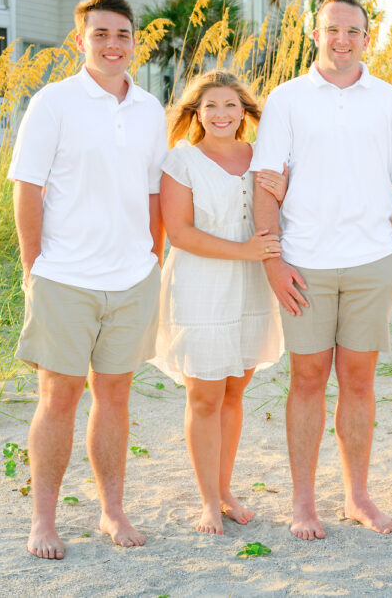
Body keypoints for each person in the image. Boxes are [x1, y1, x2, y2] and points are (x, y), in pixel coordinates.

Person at [251, 0, 392, 540]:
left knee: (358, 380)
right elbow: (265, 183)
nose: (342, 40)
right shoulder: (287, 100)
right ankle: (304, 502)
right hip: (305, 264)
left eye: (353, 31)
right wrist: (274, 263)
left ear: (367, 37)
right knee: (306, 379)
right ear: (315, 33)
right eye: (332, 30)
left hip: (373, 262)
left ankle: (356, 496)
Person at [8, 0, 165, 559]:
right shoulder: (53, 102)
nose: (112, 44)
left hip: (131, 276)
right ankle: (43, 521)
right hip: (65, 276)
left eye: (122, 35)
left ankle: (111, 510)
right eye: (100, 34)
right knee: (59, 396)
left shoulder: (149, 109)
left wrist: (154, 260)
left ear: (134, 43)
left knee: (116, 395)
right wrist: (34, 269)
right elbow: (28, 189)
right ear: (80, 41)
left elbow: (154, 194)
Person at [152, 70, 288, 534]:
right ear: (196, 112)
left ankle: (225, 489)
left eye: (231, 105)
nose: (221, 114)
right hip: (201, 285)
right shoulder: (181, 161)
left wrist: (286, 195)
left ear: (245, 112)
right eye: (211, 106)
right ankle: (208, 500)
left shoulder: (262, 157)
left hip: (251, 285)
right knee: (204, 396)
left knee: (234, 392)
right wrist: (244, 251)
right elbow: (181, 234)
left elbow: (286, 210)